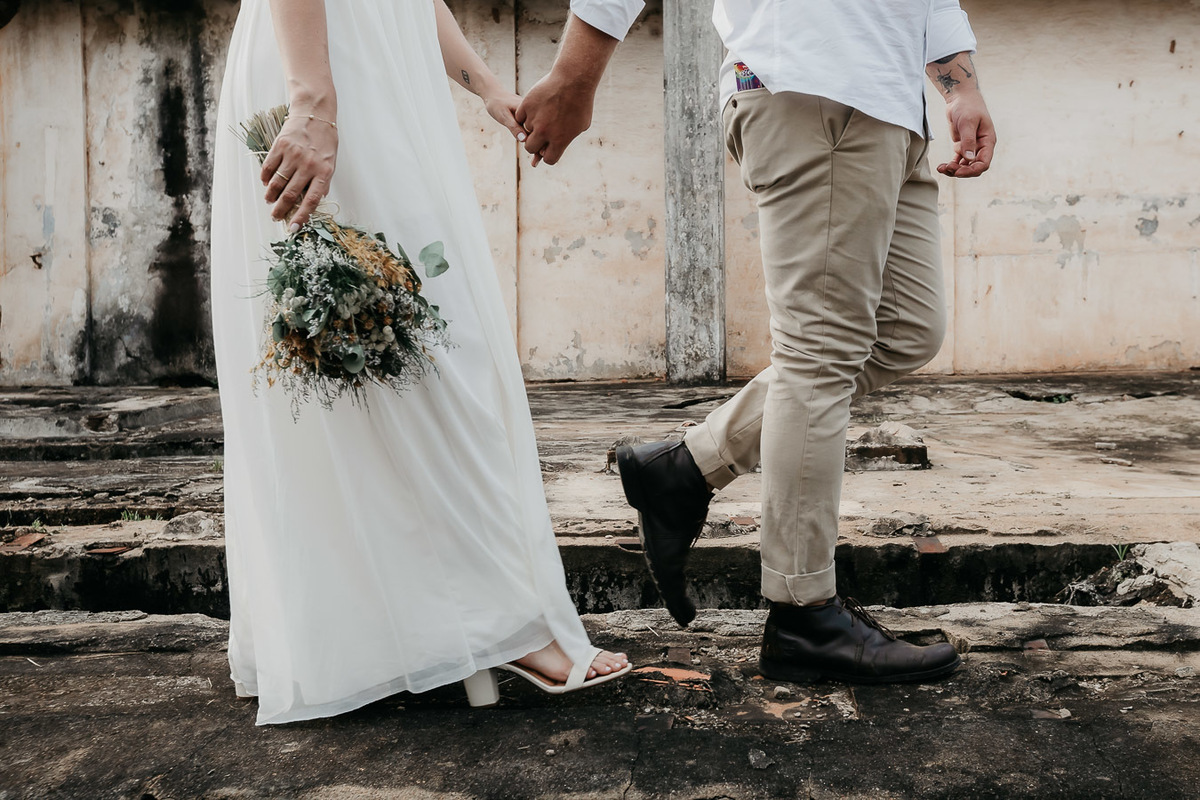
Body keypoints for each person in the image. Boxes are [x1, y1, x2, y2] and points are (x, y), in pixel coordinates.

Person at [517, 0, 997, 684]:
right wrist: (575, 76)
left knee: (905, 331)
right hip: (811, 86)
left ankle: (684, 467)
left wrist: (960, 84)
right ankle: (803, 612)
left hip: (893, 103)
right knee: (821, 356)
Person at [209, 0, 629, 725]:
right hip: (325, 71)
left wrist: (488, 86)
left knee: (403, 345)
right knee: (407, 347)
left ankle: (423, 629)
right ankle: (503, 623)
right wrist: (313, 100)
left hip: (371, 71)